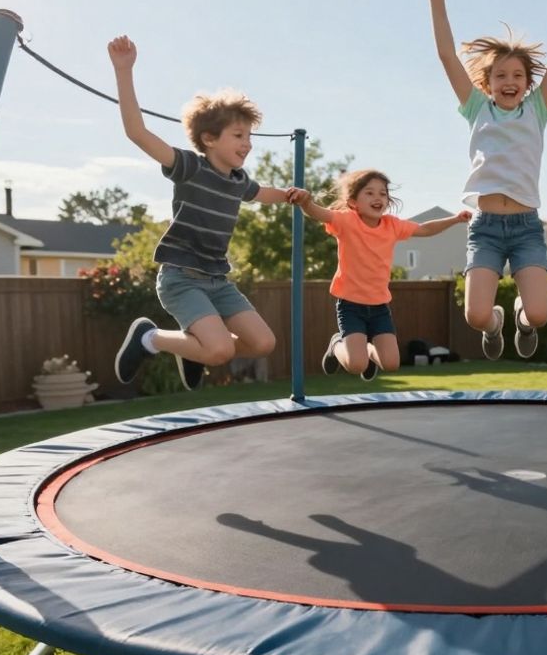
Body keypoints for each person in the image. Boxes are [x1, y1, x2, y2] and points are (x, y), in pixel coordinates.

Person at [107, 35, 298, 391]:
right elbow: (137, 132)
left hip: (217, 280)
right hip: (181, 277)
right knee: (220, 351)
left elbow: (264, 194)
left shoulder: (239, 181)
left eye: (249, 137)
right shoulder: (189, 167)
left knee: (263, 343)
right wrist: (124, 70)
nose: (248, 144)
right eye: (239, 135)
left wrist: (290, 196)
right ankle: (151, 337)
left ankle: (194, 347)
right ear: (210, 139)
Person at [426, 0, 547, 361]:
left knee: (539, 313)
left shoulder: (537, 110)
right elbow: (447, 55)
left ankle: (520, 316)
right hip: (485, 228)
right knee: (477, 315)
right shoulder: (476, 108)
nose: (509, 81)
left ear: (528, 83)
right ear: (488, 83)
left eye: (517, 74)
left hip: (526, 227)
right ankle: (497, 321)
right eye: (501, 75)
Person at [293, 169, 471, 379]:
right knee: (356, 365)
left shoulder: (392, 225)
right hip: (351, 305)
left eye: (382, 193)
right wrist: (305, 203)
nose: (378, 198)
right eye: (369, 193)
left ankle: (367, 351)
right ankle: (336, 344)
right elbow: (319, 213)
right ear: (353, 202)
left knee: (391, 363)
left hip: (379, 307)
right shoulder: (346, 221)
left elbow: (424, 229)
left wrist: (454, 219)